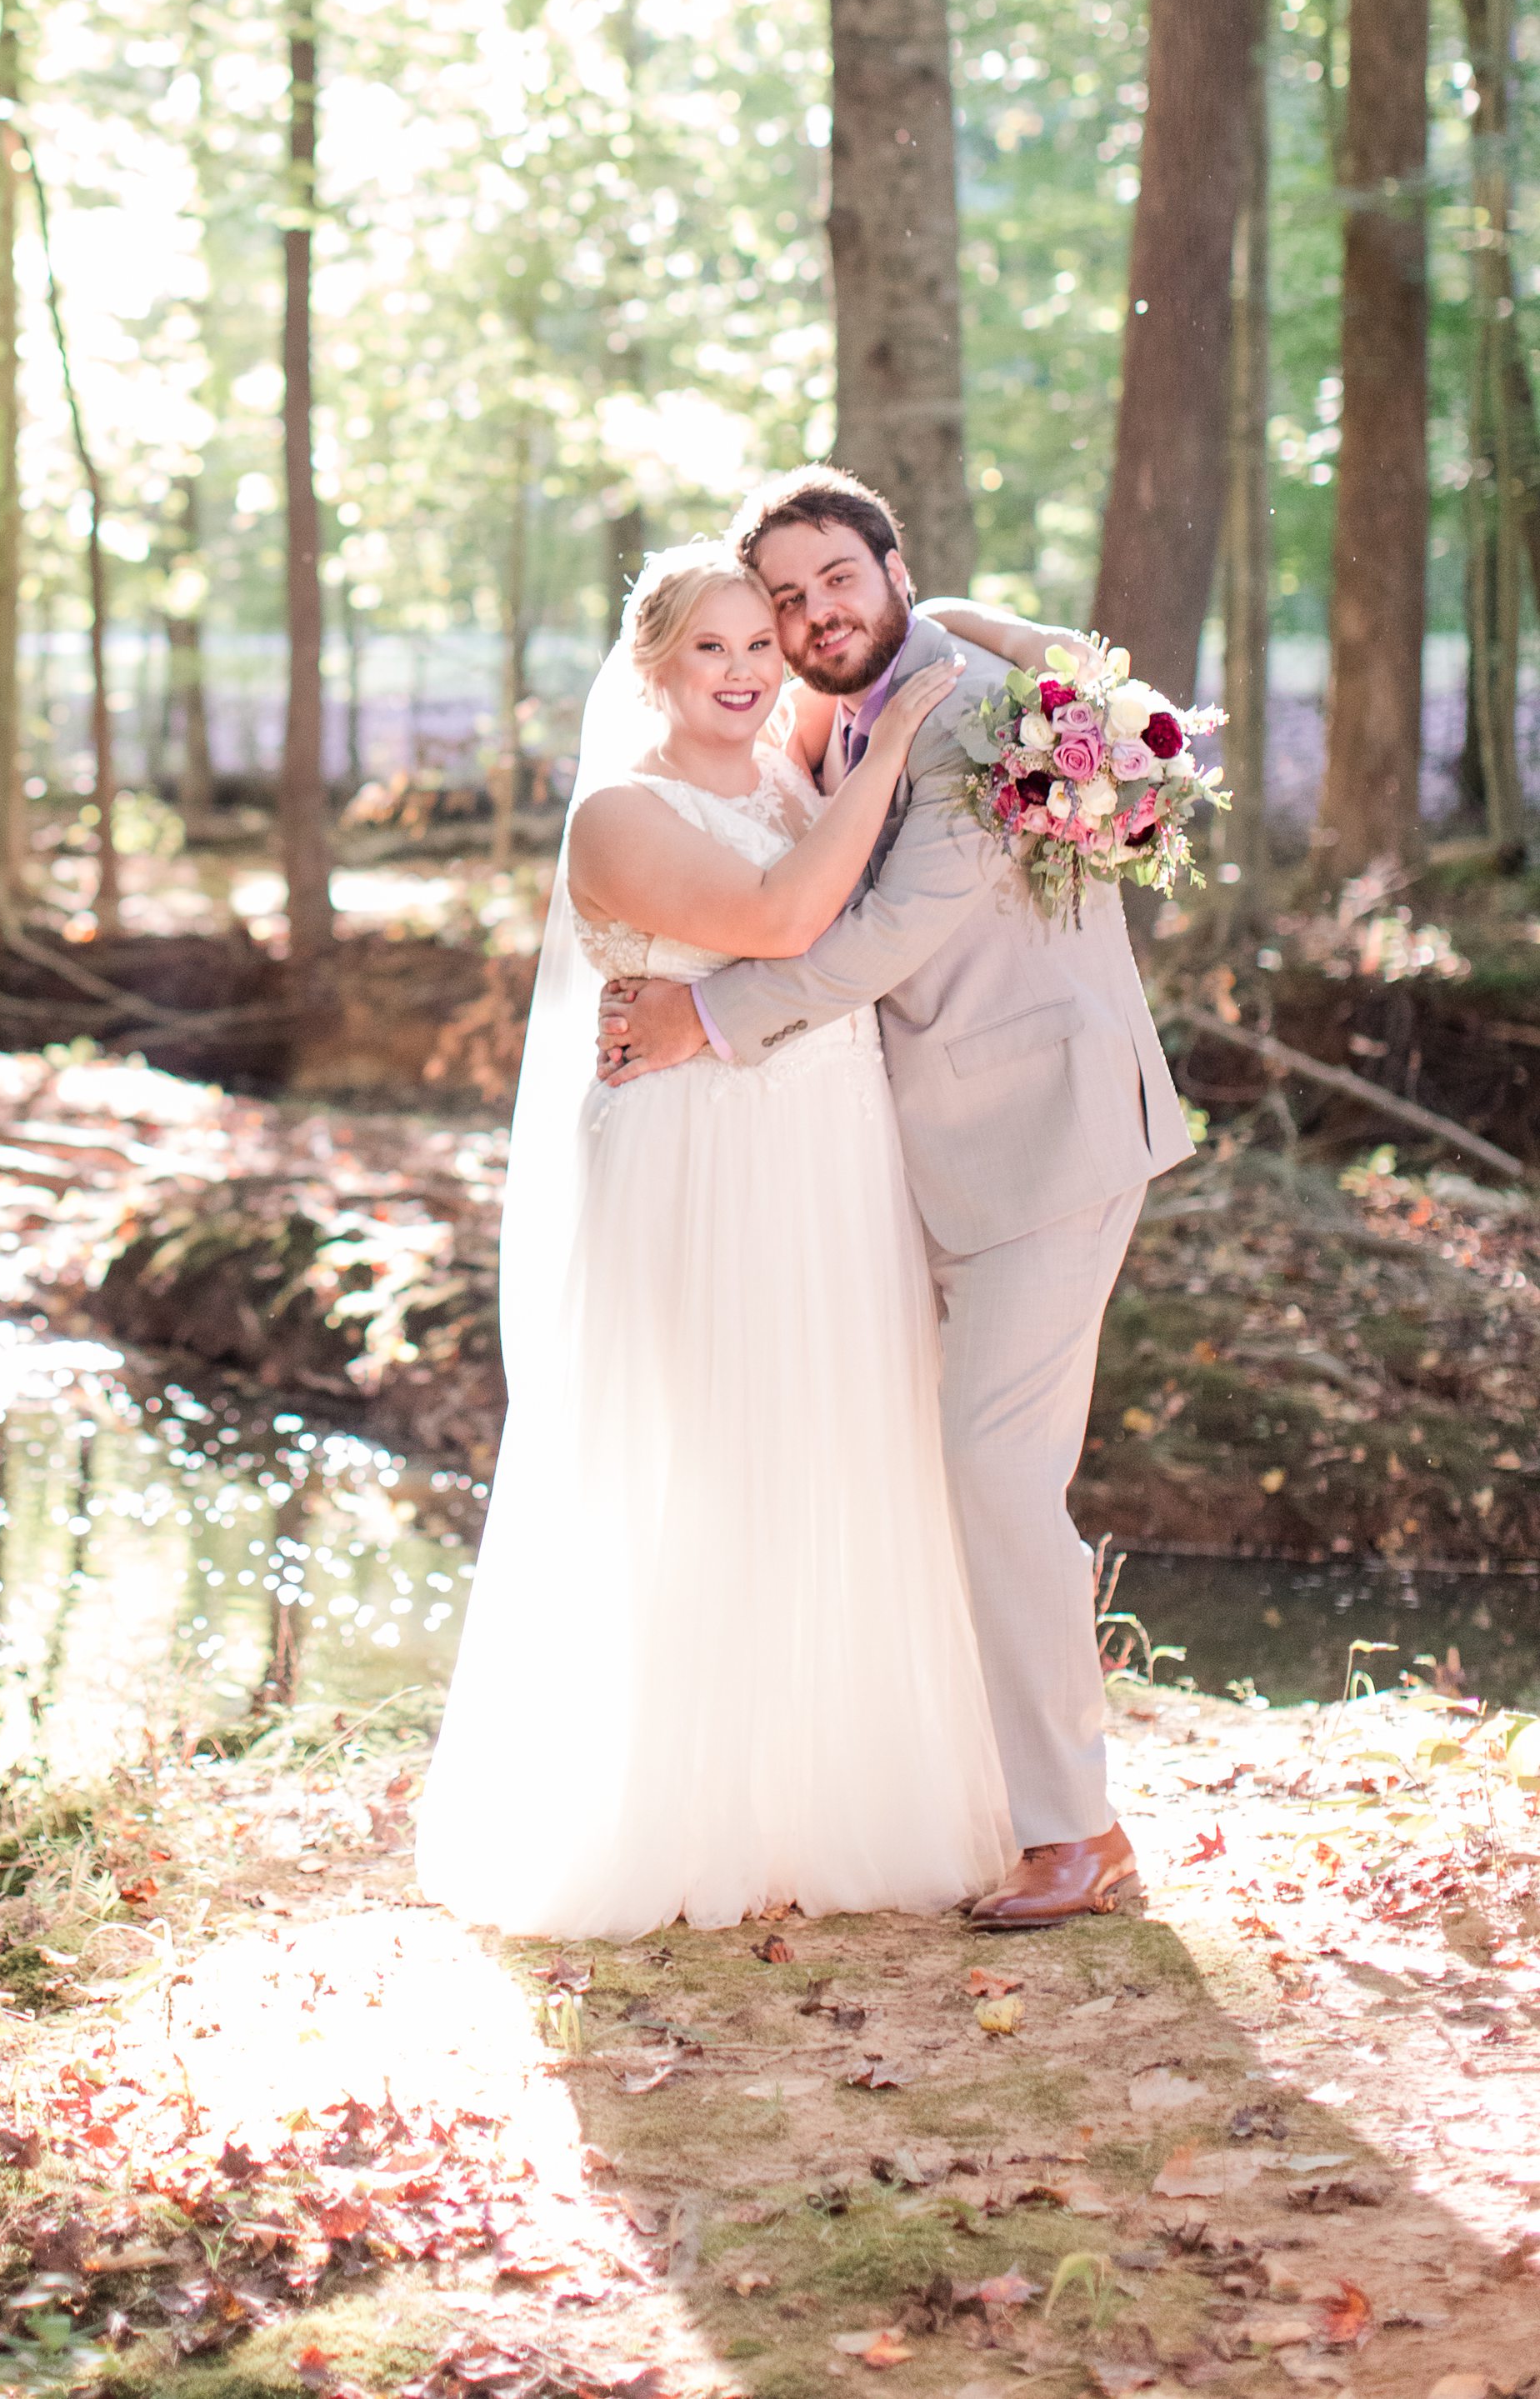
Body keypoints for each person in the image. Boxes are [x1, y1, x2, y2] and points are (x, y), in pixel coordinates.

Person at [415, 533, 1042, 1937]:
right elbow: (783, 914)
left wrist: (951, 624)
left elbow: (1032, 685)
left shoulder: (779, 769)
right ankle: (676, 1816)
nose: (749, 671)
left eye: (762, 646)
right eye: (714, 648)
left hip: (826, 1153)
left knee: (834, 1443)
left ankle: (823, 1802)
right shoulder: (619, 820)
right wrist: (890, 761)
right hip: (691, 1159)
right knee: (696, 1455)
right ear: (653, 669)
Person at [596, 467, 1193, 1933]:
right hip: (911, 1154)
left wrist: (705, 1022)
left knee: (992, 1474)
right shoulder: (857, 710)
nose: (810, 617)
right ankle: (970, 1793)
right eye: (784, 599)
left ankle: (1076, 1830)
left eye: (834, 583)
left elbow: (878, 937)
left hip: (1042, 1134)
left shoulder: (967, 718)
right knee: (914, 1473)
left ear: (892, 566)